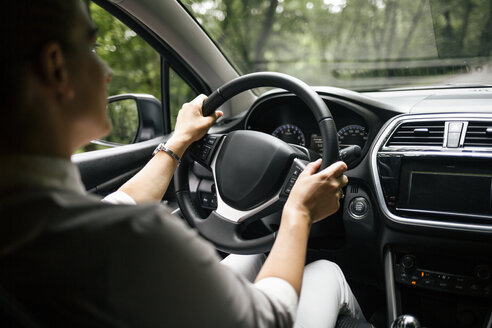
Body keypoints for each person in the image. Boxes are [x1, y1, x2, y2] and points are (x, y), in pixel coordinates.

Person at [0, 0, 368, 327]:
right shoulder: (132, 238)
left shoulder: (35, 223)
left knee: (256, 251)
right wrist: (298, 212)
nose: (106, 72)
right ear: (55, 67)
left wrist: (178, 142)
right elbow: (270, 318)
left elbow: (120, 204)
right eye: (93, 48)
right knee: (326, 272)